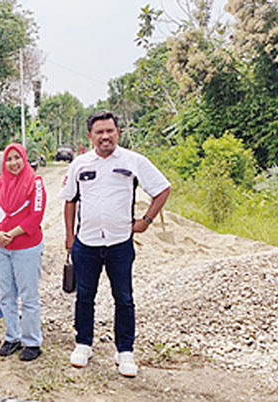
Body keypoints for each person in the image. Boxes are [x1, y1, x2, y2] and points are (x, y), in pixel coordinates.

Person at [58, 111, 171, 377]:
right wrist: (69, 237)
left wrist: (146, 220)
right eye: (99, 132)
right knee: (85, 297)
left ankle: (125, 352)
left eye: (110, 131)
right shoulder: (80, 164)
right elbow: (70, 201)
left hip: (120, 243)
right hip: (86, 243)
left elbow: (162, 188)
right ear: (90, 136)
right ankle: (83, 344)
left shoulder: (134, 161)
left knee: (124, 298)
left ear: (117, 133)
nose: (105, 136)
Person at [0, 143, 46, 361]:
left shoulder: (35, 183)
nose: (13, 163)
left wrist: (10, 233)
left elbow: (35, 216)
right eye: (9, 159)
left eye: (17, 158)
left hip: (26, 247)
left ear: (24, 158)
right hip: (1, 246)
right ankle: (12, 337)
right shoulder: (0, 184)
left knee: (28, 296)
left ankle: (32, 342)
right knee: (6, 295)